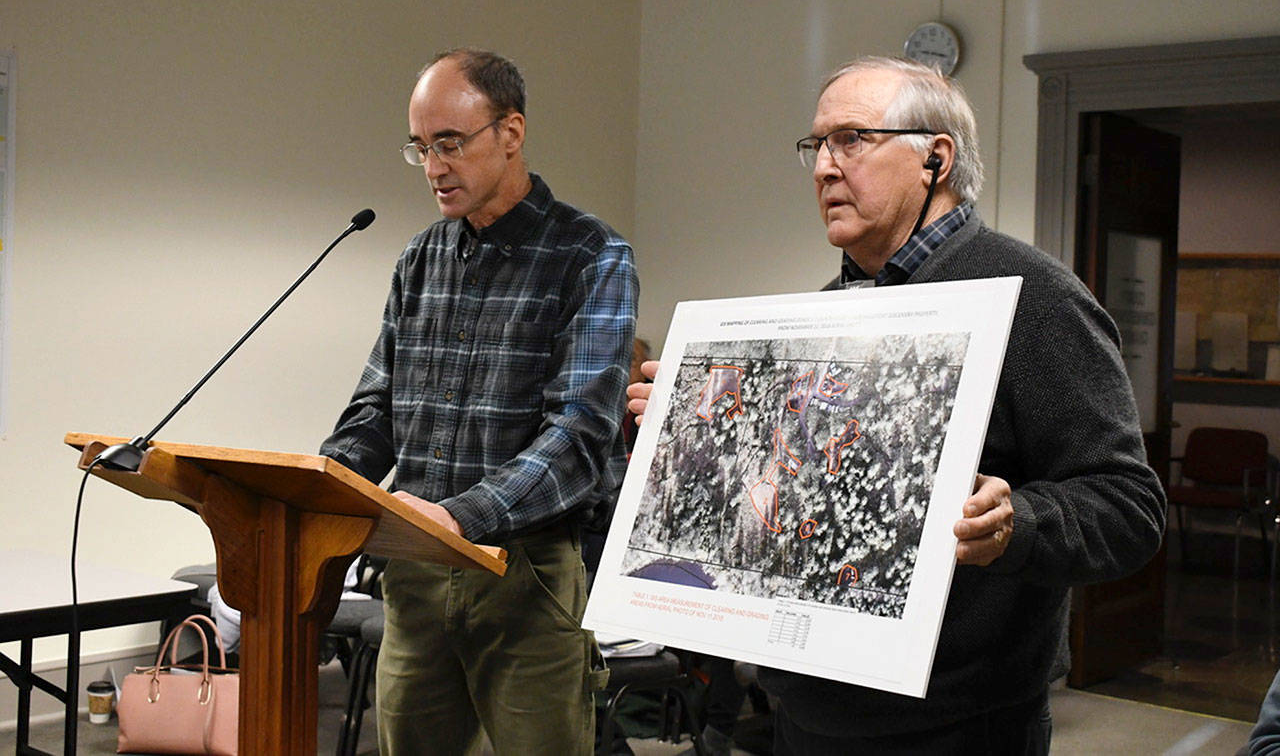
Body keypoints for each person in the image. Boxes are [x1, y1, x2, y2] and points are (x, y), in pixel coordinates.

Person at [627, 56, 1165, 754]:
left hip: (955, 725)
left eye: (852, 139)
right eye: (816, 145)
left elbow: (1129, 505)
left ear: (934, 159)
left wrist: (1018, 523)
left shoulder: (1036, 301)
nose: (824, 166)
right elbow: (798, 496)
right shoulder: (824, 318)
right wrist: (695, 437)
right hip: (806, 709)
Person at [320, 48, 637, 755]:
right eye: (421, 147)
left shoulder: (590, 256)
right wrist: (318, 487)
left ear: (511, 133)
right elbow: (377, 412)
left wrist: (459, 517)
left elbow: (579, 438)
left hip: (525, 579)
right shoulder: (419, 258)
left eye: (450, 144)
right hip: (415, 579)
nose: (433, 166)